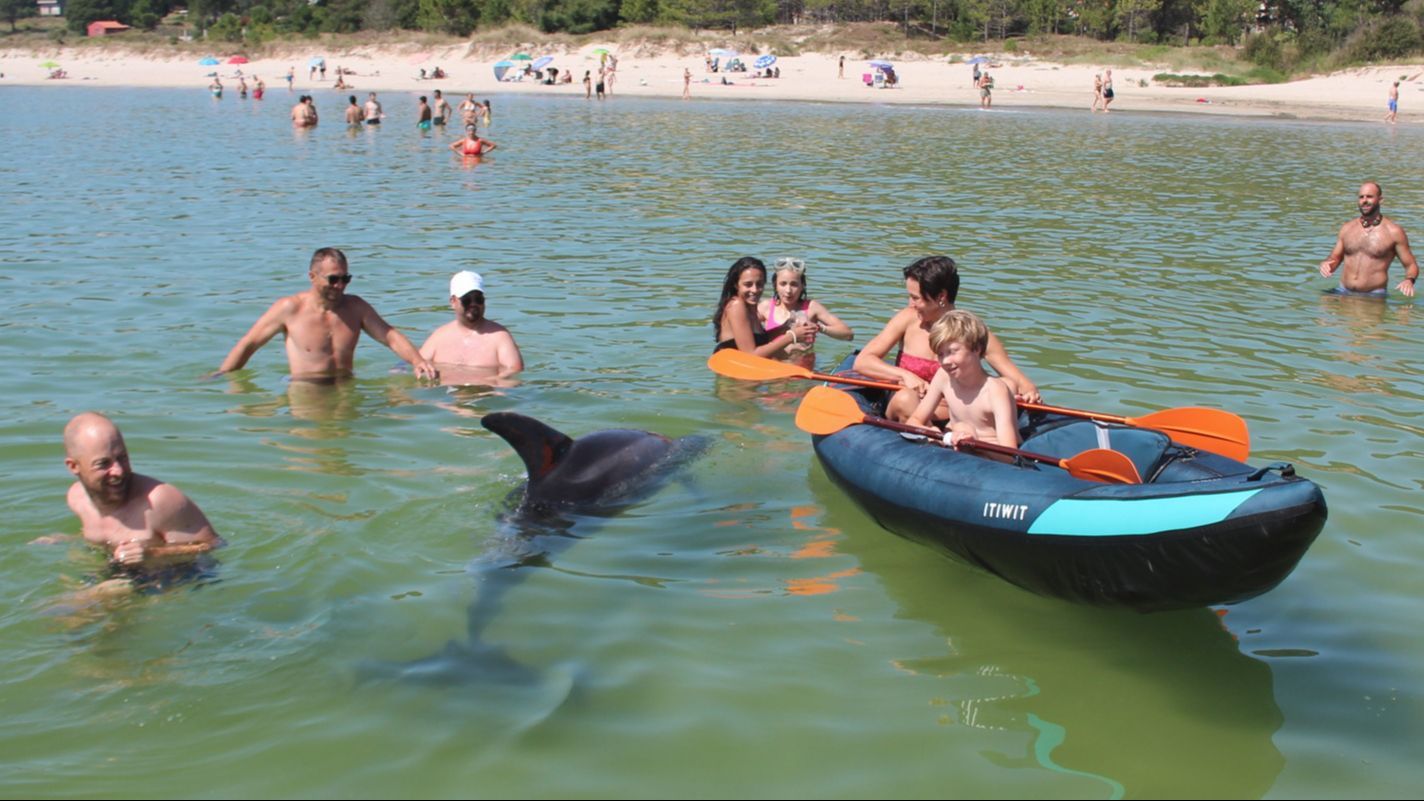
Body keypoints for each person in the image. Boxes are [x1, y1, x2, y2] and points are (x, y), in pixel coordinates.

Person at [853, 256, 1039, 422]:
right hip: (908, 405)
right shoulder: (907, 319)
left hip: (956, 414)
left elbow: (1022, 384)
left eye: (916, 298)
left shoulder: (973, 332)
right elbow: (863, 362)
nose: (910, 304)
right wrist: (905, 375)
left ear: (941, 296)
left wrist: (1028, 394)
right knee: (906, 399)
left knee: (1007, 385)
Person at [215, 247, 438, 380]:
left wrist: (418, 361)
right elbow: (249, 343)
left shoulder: (356, 307)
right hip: (306, 391)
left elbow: (389, 336)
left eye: (345, 279)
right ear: (313, 277)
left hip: (345, 387)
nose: (340, 286)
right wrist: (222, 376)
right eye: (333, 279)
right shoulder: (290, 308)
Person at [63, 412, 224, 571]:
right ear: (74, 467)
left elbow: (214, 544)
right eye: (103, 464)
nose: (118, 471)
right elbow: (106, 533)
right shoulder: (77, 499)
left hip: (180, 574)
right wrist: (67, 539)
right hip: (125, 569)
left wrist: (154, 553)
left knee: (101, 593)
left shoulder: (159, 500)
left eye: (122, 457)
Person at [905, 310, 1019, 450]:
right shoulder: (943, 377)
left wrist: (973, 442)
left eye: (952, 351)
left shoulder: (995, 390)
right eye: (940, 354)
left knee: (963, 428)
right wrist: (932, 432)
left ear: (976, 349)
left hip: (990, 457)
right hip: (956, 450)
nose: (945, 361)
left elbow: (1009, 453)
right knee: (960, 427)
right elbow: (914, 420)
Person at [1319, 181, 1419, 297]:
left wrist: (1409, 280)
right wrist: (1327, 264)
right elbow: (1335, 257)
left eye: (1369, 196)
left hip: (1373, 295)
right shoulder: (1347, 228)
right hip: (1342, 291)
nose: (1364, 200)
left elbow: (1411, 265)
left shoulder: (1394, 232)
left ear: (1380, 200)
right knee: (1321, 311)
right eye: (1361, 197)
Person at [418, 271, 523, 378]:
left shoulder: (500, 336)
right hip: (448, 393)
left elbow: (514, 372)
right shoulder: (439, 336)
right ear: (453, 302)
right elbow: (415, 363)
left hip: (485, 392)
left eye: (478, 299)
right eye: (467, 300)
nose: (473, 304)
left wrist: (491, 383)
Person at [713, 257, 818, 357]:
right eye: (748, 284)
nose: (754, 290)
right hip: (733, 371)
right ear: (736, 284)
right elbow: (751, 354)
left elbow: (759, 340)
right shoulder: (736, 305)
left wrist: (786, 327)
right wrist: (792, 336)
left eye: (759, 284)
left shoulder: (750, 306)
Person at [757, 257, 853, 356]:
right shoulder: (766, 307)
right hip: (773, 365)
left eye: (794, 284)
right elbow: (745, 329)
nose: (788, 290)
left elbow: (848, 334)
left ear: (802, 285)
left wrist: (820, 328)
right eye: (783, 284)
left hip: (803, 366)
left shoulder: (812, 308)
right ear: (775, 285)